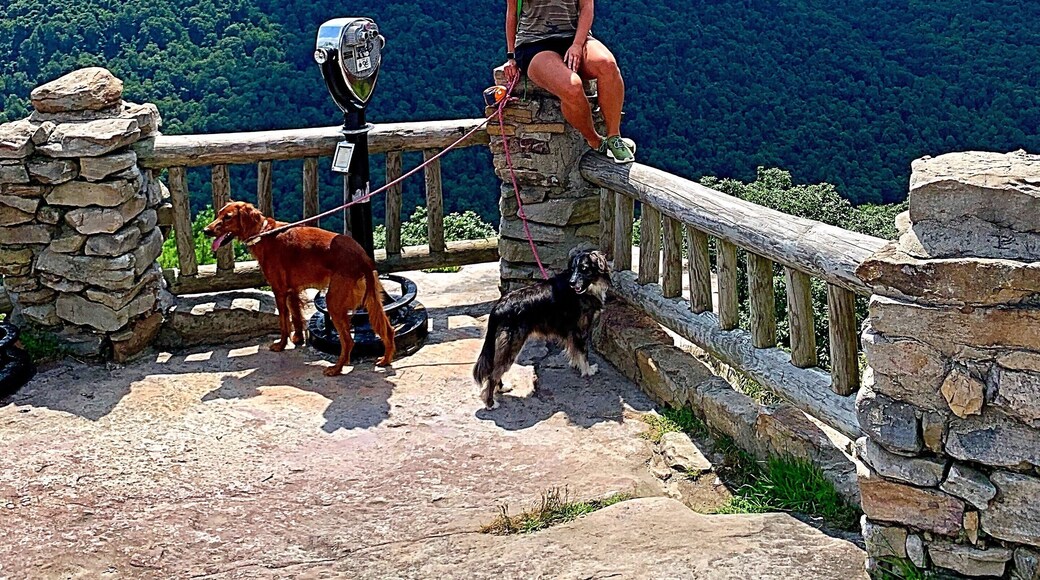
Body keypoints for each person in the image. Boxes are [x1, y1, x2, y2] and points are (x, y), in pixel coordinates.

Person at [503, 0, 635, 164]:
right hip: (534, 43)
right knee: (572, 87)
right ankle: (594, 140)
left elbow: (587, 6)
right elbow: (512, 12)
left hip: (575, 37)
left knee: (607, 66)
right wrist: (511, 56)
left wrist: (577, 45)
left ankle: (614, 137)